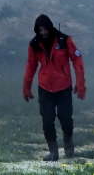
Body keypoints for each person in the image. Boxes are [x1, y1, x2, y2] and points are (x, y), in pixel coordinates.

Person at [23, 14, 86, 161]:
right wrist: (26, 87)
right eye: (40, 30)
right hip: (45, 87)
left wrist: (80, 82)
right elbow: (31, 66)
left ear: (50, 28)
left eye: (45, 29)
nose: (43, 32)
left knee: (65, 118)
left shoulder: (64, 40)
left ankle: (68, 141)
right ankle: (53, 151)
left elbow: (77, 60)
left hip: (63, 87)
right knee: (47, 119)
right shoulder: (34, 44)